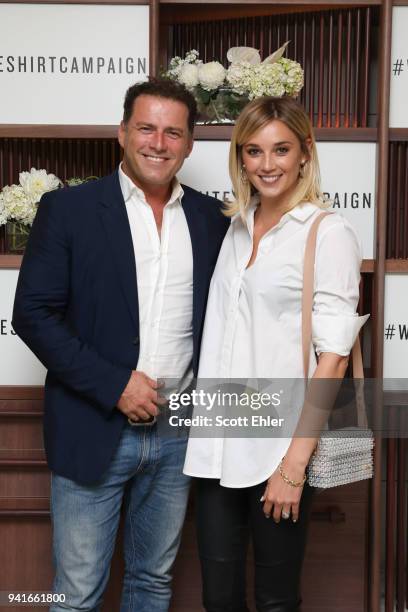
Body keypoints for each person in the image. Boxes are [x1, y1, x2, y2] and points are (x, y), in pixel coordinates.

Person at [12, 77, 229, 612]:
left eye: (173, 132)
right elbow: (32, 315)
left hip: (179, 433)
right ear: (122, 133)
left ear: (190, 143)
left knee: (153, 583)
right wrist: (115, 385)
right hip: (93, 423)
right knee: (77, 592)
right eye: (146, 128)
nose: (158, 143)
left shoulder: (211, 221)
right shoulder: (69, 210)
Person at [183, 96, 369, 611]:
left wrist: (293, 464)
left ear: (305, 153)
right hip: (218, 444)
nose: (268, 164)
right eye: (254, 151)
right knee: (218, 598)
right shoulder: (238, 226)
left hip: (278, 448)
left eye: (281, 149)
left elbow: (332, 359)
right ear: (240, 158)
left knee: (276, 600)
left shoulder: (327, 233)